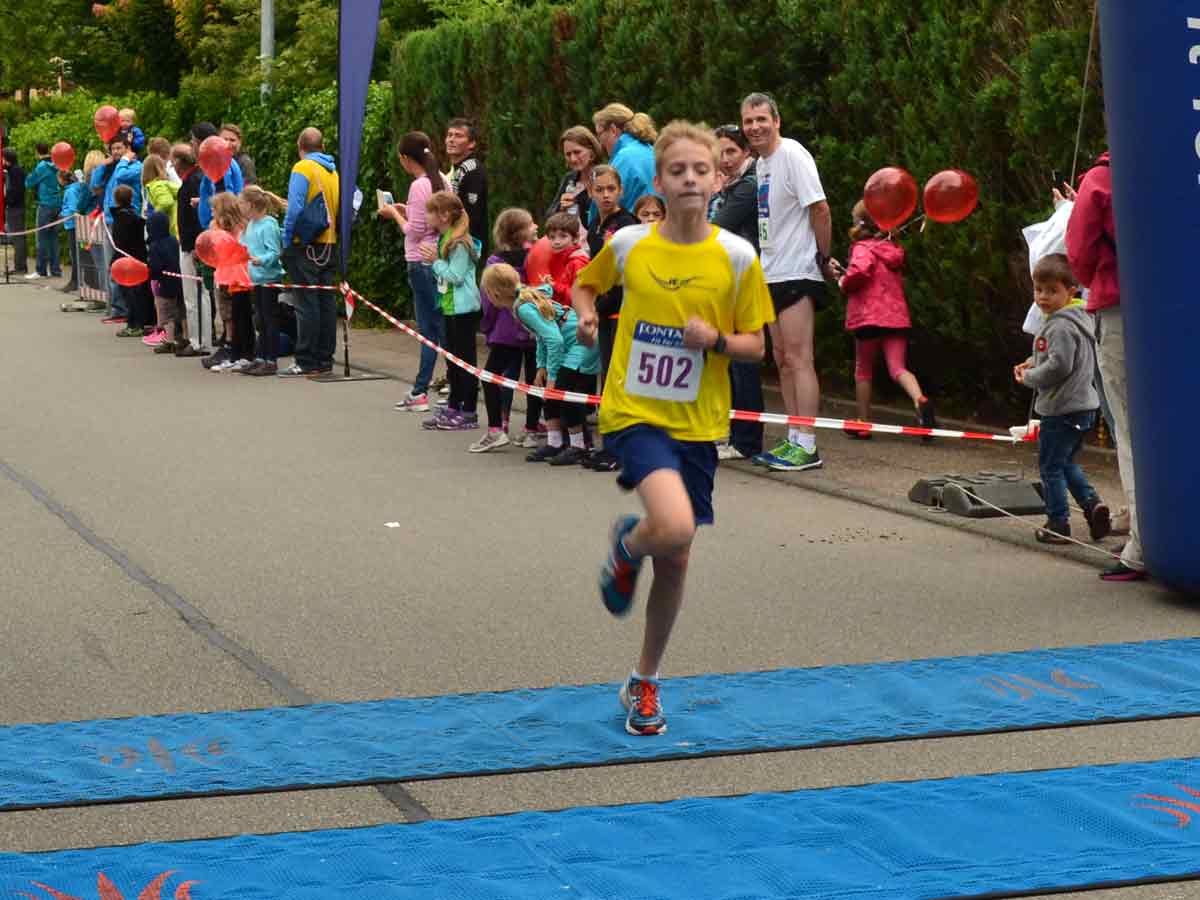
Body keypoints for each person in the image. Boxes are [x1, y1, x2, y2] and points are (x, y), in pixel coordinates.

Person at [574, 120, 773, 736]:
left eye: (700, 170)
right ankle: (629, 545)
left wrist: (716, 340)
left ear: (717, 180)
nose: (690, 179)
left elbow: (757, 345)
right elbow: (586, 285)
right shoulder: (631, 244)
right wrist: (586, 316)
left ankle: (645, 680)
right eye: (677, 170)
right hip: (634, 411)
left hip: (698, 422)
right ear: (658, 182)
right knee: (675, 525)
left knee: (679, 556)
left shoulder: (736, 257)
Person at [741, 91, 840, 473]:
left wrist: (822, 257)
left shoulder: (793, 154)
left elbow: (820, 209)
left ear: (777, 121)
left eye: (761, 119)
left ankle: (809, 445)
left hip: (798, 270)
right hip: (770, 271)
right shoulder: (761, 164)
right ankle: (794, 437)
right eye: (749, 121)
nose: (755, 127)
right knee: (782, 360)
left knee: (800, 358)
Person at [1066, 151, 1143, 582]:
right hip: (1183, 305)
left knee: (1132, 428)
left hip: (1118, 306)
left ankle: (1143, 546)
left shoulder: (1100, 179)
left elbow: (1079, 254)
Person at [1014, 254, 1111, 546]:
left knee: (1050, 467)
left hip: (1061, 409)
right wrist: (1034, 360)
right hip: (1083, 408)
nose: (1043, 297)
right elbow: (1064, 355)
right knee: (1066, 462)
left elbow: (1059, 366)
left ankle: (1058, 523)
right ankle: (1093, 506)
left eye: (1052, 291)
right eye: (1038, 290)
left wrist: (1030, 377)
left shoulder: (1059, 325)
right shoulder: (1080, 318)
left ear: (1071, 291)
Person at [481, 263, 599, 466]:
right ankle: (555, 442)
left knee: (564, 392)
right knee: (548, 393)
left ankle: (580, 446)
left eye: (487, 293)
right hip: (568, 343)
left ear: (496, 293)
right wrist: (541, 366)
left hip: (580, 343)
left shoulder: (523, 308)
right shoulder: (521, 302)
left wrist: (552, 376)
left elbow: (554, 340)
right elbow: (542, 336)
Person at [839, 200, 936, 437]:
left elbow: (860, 272)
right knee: (898, 368)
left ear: (861, 223)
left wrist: (843, 281)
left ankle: (863, 422)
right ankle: (919, 399)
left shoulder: (862, 248)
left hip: (868, 319)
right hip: (895, 319)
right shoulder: (892, 249)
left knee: (863, 369)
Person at [380, 131, 448, 410]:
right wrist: (406, 210)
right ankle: (450, 386)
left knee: (429, 329)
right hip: (439, 259)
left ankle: (421, 391)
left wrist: (395, 214)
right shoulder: (442, 179)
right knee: (441, 325)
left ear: (405, 158)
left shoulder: (419, 185)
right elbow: (432, 221)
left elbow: (415, 231)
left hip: (420, 262)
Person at [710, 123, 765, 462]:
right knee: (732, 361)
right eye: (720, 153)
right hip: (730, 281)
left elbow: (716, 228)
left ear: (746, 151)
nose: (725, 159)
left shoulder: (747, 186)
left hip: (747, 281)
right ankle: (735, 434)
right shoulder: (731, 186)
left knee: (744, 362)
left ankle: (747, 440)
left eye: (731, 151)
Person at [472, 207, 542, 453]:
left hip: (505, 331)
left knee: (490, 377)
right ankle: (531, 429)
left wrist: (486, 326)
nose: (536, 227)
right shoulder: (537, 257)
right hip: (535, 329)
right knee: (534, 379)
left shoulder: (495, 262)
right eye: (531, 224)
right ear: (519, 232)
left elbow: (489, 300)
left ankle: (496, 429)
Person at [583, 164, 638, 472]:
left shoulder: (626, 224)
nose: (605, 195)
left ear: (620, 191)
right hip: (603, 310)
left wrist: (599, 307)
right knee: (607, 379)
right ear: (591, 192)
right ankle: (610, 445)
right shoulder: (594, 224)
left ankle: (621, 449)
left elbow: (624, 274)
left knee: (619, 381)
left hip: (620, 310)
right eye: (599, 190)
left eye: (611, 189)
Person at [419, 191, 482, 428]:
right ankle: (454, 405)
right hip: (449, 308)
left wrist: (434, 262)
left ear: (444, 215)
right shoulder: (445, 238)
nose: (426, 216)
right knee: (452, 363)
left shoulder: (460, 243)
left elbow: (455, 276)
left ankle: (469, 411)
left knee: (465, 362)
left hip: (463, 310)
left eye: (430, 212)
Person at [280, 126, 339, 377]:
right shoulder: (333, 171)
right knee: (326, 301)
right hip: (329, 242)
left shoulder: (302, 168)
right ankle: (324, 358)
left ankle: (305, 359)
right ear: (322, 146)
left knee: (306, 302)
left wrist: (287, 239)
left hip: (305, 243)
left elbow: (294, 209)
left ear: (299, 146)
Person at [239, 185, 287, 375]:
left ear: (251, 204)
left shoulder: (268, 225)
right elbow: (244, 246)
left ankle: (271, 360)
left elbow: (275, 251)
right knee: (259, 319)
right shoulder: (250, 225)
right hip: (255, 279)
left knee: (269, 320)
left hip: (268, 279)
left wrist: (262, 260)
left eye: (241, 203)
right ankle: (260, 357)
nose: (239, 207)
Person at [209, 192, 255, 371]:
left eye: (214, 209)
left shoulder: (236, 229)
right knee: (237, 316)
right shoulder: (235, 226)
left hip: (239, 277)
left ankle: (246, 355)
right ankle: (236, 354)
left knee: (242, 317)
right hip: (231, 277)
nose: (212, 212)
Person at [173, 143, 210, 357]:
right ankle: (199, 339)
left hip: (192, 245)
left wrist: (196, 246)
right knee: (197, 294)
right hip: (190, 243)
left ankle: (199, 341)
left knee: (195, 294)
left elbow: (196, 217)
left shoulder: (192, 182)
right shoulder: (193, 180)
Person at [592, 103, 657, 211]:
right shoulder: (652, 151)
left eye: (600, 134)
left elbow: (602, 206)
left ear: (613, 130)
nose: (600, 142)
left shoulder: (623, 158)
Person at [110, 185, 154, 338]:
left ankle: (134, 324)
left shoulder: (121, 218)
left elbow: (120, 242)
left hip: (126, 260)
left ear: (116, 200)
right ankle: (142, 322)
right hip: (138, 257)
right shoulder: (134, 216)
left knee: (131, 294)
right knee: (138, 292)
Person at [445, 118, 488, 256]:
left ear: (471, 144)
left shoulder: (472, 169)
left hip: (467, 247)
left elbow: (472, 215)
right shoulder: (455, 170)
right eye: (449, 135)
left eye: (458, 136)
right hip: (453, 243)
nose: (451, 140)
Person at [546, 126, 604, 224]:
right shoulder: (570, 178)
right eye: (568, 154)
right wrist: (561, 208)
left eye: (577, 152)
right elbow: (549, 217)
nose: (573, 159)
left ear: (592, 151)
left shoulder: (605, 177)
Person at [193, 122, 244, 231]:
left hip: (221, 227)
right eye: (224, 139)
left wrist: (219, 227)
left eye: (193, 142)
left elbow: (225, 198)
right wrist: (202, 201)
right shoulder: (218, 160)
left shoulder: (220, 162)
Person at [146, 211, 183, 354]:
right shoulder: (173, 240)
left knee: (167, 314)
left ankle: (169, 341)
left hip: (164, 284)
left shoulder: (155, 245)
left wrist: (150, 272)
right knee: (180, 311)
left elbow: (155, 267)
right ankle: (184, 338)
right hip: (179, 281)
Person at [25, 143, 63, 280]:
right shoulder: (56, 164)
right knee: (53, 238)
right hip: (57, 204)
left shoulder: (41, 166)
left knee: (42, 238)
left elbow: (29, 183)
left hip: (45, 204)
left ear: (37, 152)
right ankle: (55, 270)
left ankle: (40, 270)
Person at [543, 211, 590, 307]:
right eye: (552, 237)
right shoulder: (560, 259)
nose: (557, 242)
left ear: (576, 238)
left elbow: (580, 298)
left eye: (563, 236)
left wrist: (555, 286)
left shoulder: (577, 263)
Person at [58, 168, 87, 292]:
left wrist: (63, 214)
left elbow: (73, 209)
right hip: (73, 225)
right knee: (77, 254)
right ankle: (78, 280)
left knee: (75, 255)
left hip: (73, 225)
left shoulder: (70, 191)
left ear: (62, 180)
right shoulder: (75, 188)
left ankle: (75, 281)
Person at [3, 148, 28, 274]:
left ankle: (20, 267)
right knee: (17, 238)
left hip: (15, 208)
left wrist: (7, 200)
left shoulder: (15, 172)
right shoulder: (13, 170)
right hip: (15, 207)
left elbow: (16, 191)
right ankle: (20, 266)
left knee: (18, 238)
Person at [141, 154, 179, 234]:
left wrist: (154, 214)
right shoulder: (159, 184)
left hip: (172, 227)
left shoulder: (157, 185)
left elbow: (166, 202)